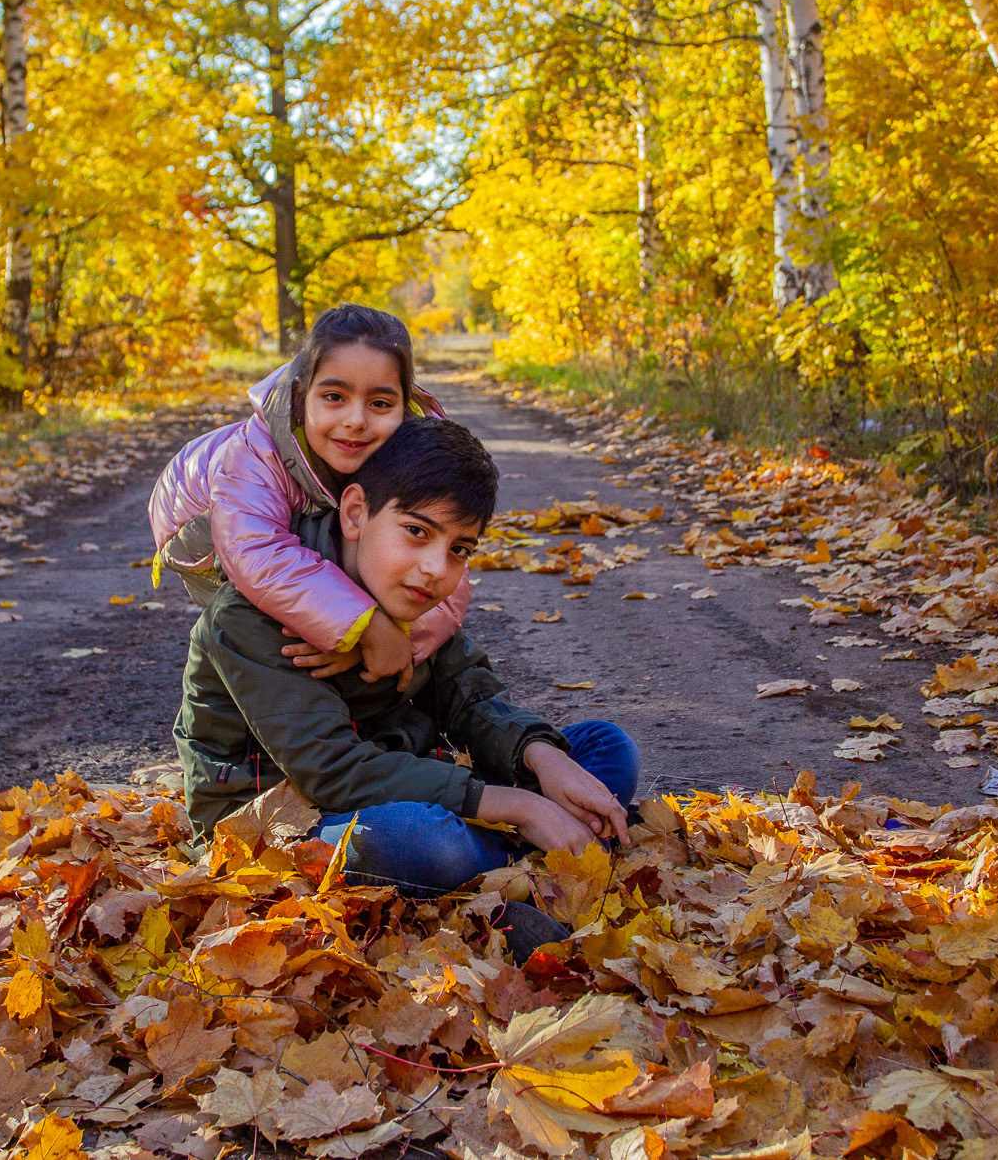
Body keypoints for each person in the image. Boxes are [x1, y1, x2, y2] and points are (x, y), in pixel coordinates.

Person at [173, 417, 641, 938]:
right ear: (356, 513)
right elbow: (333, 771)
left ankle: (504, 868)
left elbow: (471, 697)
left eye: (459, 549)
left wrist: (540, 757)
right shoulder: (250, 613)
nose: (436, 568)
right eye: (417, 532)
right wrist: (521, 804)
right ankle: (527, 863)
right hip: (282, 823)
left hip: (404, 781)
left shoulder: (414, 599)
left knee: (605, 747)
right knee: (416, 840)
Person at [149, 304, 469, 690]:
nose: (356, 420)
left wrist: (400, 635)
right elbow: (255, 552)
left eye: (380, 404)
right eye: (334, 397)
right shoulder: (253, 456)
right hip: (202, 533)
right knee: (276, 621)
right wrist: (365, 625)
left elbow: (448, 574)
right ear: (301, 398)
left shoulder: (411, 449)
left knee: (398, 543)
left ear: (405, 405)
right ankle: (245, 705)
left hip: (290, 521)